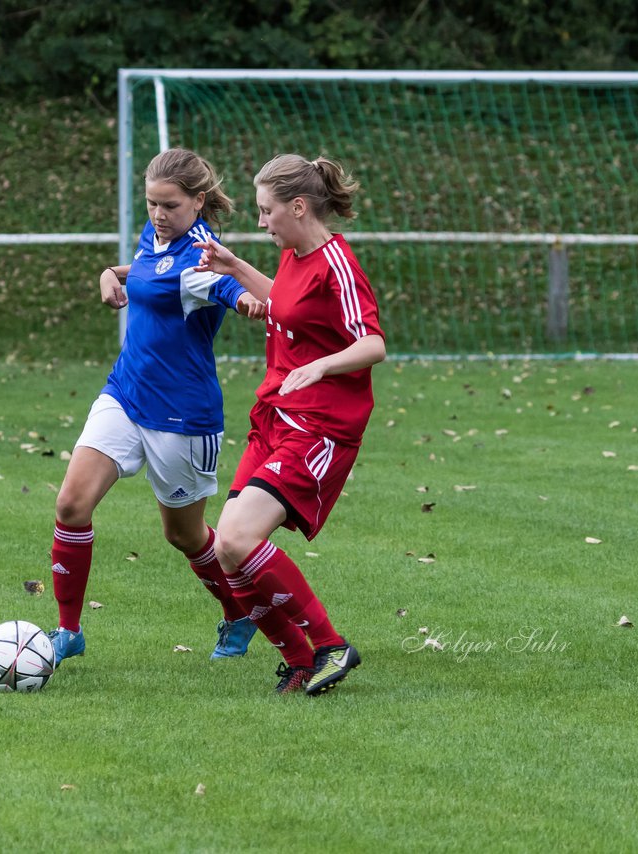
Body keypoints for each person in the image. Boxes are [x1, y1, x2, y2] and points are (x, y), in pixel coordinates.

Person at [47, 148, 267, 667]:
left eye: (169, 205)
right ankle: (68, 631)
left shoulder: (204, 260)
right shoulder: (158, 237)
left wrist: (250, 304)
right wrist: (110, 273)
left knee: (184, 535)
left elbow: (227, 288)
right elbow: (147, 266)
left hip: (182, 417)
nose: (157, 214)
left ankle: (241, 612)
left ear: (198, 201)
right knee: (71, 506)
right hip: (125, 394)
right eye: (151, 203)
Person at [194, 153, 386, 696]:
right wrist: (232, 267)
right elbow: (283, 304)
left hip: (321, 426)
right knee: (225, 548)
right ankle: (300, 660)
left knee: (236, 536)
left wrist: (321, 364)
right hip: (276, 418)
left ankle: (330, 646)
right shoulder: (295, 255)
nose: (261, 222)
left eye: (266, 211)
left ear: (298, 207)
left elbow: (373, 343)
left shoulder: (336, 263)